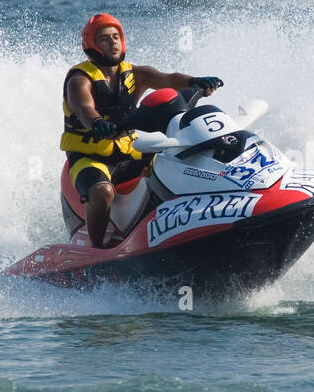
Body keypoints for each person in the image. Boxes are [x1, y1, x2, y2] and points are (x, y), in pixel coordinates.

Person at [63, 14, 223, 248]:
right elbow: (84, 107)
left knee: (176, 161)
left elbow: (168, 79)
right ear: (92, 44)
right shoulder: (79, 80)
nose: (113, 43)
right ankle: (96, 250)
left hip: (130, 152)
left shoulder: (136, 74)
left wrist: (195, 82)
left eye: (116, 37)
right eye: (105, 39)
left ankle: (192, 219)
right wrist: (97, 123)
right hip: (89, 159)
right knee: (102, 193)